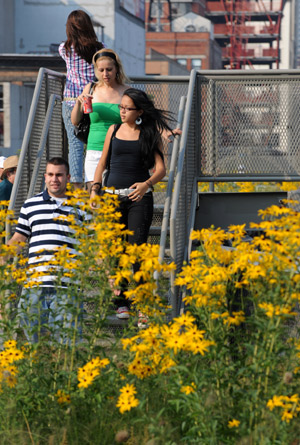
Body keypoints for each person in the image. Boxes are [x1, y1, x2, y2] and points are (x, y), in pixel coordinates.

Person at [90, 88, 175, 320]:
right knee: (117, 251)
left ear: (139, 111)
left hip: (139, 198)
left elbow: (161, 170)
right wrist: (95, 189)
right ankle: (121, 302)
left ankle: (144, 304)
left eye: (127, 108)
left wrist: (146, 184)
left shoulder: (148, 133)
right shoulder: (113, 130)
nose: (122, 111)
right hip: (112, 197)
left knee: (136, 251)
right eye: (121, 107)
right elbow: (102, 165)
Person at [6, 157, 86, 343]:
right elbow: (18, 239)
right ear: (44, 177)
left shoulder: (81, 208)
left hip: (68, 287)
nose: (54, 179)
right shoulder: (30, 205)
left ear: (68, 177)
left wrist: (109, 275)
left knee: (66, 348)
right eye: (50, 174)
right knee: (35, 346)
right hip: (35, 286)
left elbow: (94, 245)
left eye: (59, 175)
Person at [71, 48, 129, 190]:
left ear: (117, 69)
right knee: (94, 195)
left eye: (109, 69)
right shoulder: (91, 88)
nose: (105, 74)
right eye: (101, 70)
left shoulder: (126, 91)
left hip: (118, 150)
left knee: (115, 196)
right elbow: (75, 121)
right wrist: (79, 102)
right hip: (94, 150)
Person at [59, 10, 104, 189]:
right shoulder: (100, 48)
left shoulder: (65, 48)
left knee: (75, 145)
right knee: (95, 144)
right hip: (94, 100)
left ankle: (77, 187)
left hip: (72, 101)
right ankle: (95, 182)